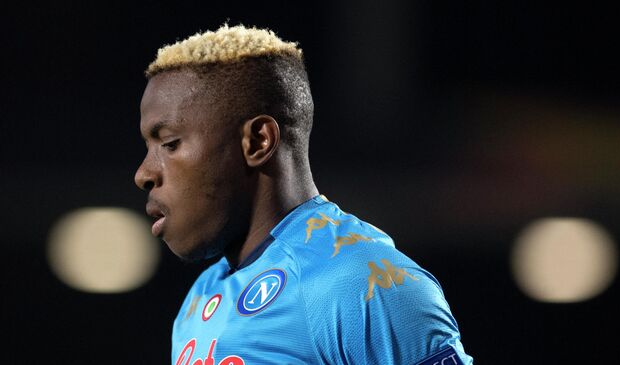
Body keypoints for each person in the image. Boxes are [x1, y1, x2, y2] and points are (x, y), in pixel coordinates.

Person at [135, 24, 473, 365]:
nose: (144, 173)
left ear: (257, 142)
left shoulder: (365, 284)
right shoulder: (200, 297)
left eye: (169, 143)